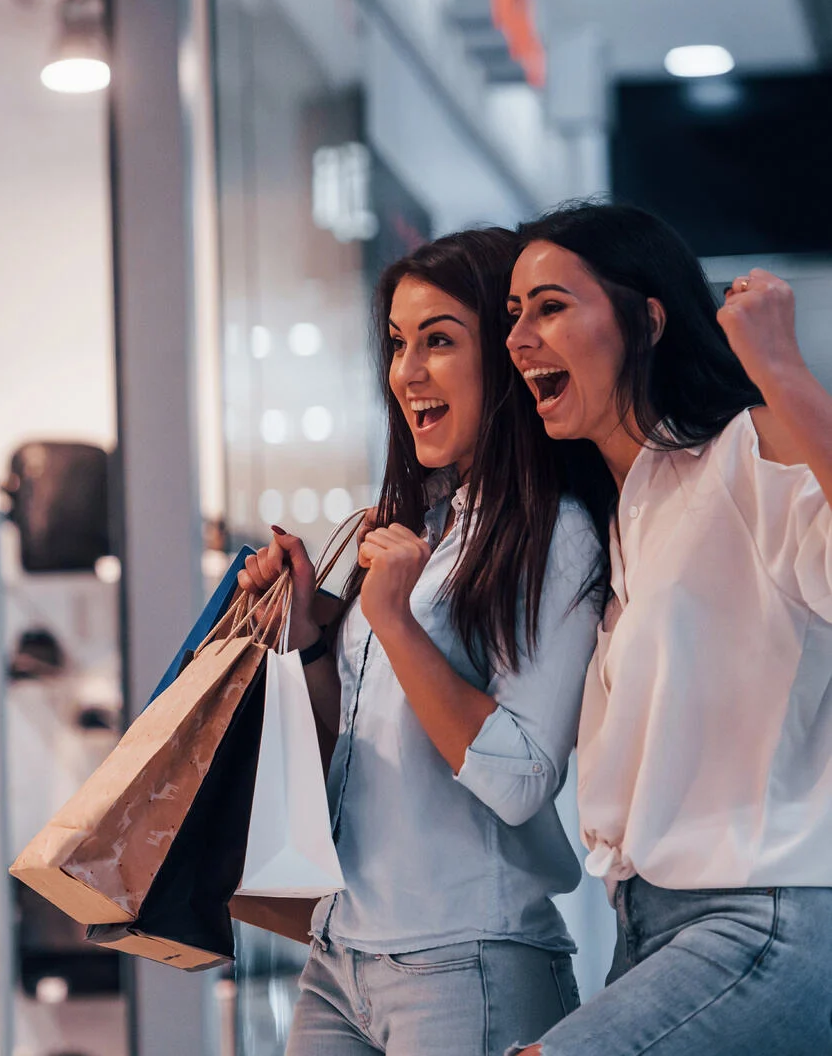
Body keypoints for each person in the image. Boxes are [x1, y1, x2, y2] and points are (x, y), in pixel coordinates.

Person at [239, 228, 613, 1056]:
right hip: (340, 955)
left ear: (508, 358)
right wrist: (304, 639)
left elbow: (519, 780)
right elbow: (361, 753)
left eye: (439, 341)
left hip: (467, 963)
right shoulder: (411, 528)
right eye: (397, 344)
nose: (407, 372)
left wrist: (398, 622)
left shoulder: (557, 533)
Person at [505, 201, 832, 1056]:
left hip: (760, 918)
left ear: (646, 318)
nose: (519, 338)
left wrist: (783, 370)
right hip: (644, 926)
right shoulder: (622, 519)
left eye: (550, 306)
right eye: (514, 316)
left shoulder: (742, 453)